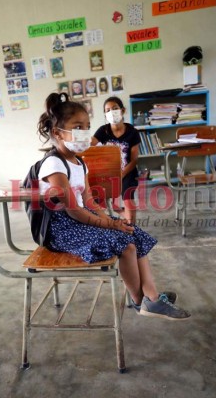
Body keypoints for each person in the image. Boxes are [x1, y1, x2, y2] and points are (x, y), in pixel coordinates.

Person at [35, 92, 190, 320]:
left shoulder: (79, 162)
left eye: (87, 126)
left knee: (133, 232)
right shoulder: (53, 164)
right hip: (62, 229)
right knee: (124, 244)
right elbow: (73, 210)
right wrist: (108, 224)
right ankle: (143, 303)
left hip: (81, 219)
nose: (85, 132)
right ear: (57, 132)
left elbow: (89, 201)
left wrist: (112, 220)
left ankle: (152, 296)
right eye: (78, 126)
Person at [92, 96, 140, 224]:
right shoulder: (103, 131)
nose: (111, 112)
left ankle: (132, 228)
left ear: (122, 110)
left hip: (128, 172)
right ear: (105, 114)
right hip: (109, 173)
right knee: (107, 202)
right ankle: (122, 219)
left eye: (114, 108)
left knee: (127, 198)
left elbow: (134, 160)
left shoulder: (133, 132)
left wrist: (122, 174)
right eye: (107, 110)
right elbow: (89, 145)